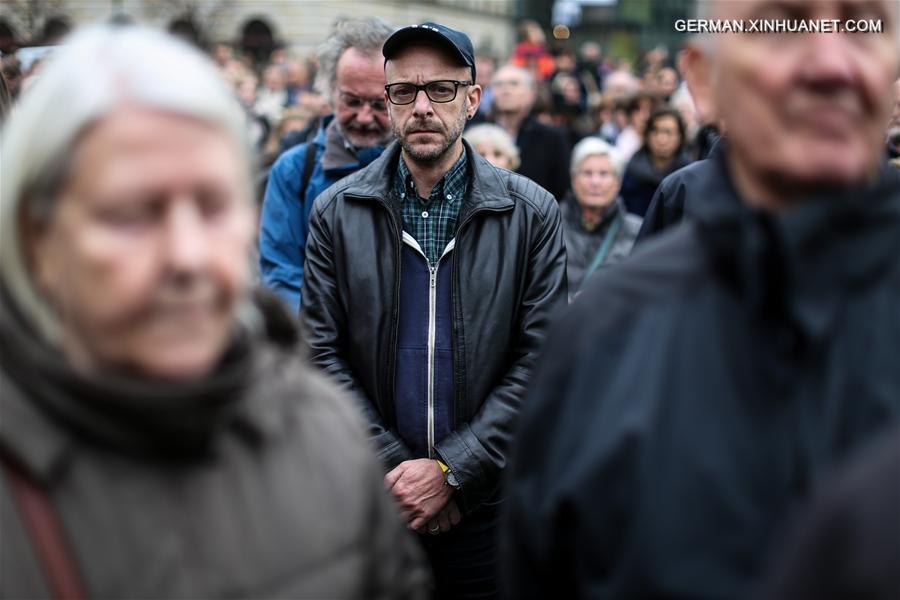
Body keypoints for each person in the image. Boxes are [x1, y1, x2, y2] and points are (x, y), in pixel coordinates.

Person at [0, 25, 428, 599]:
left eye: (213, 205)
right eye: (131, 212)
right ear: (36, 236)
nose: (187, 256)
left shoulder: (325, 432)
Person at [503, 0, 900, 597]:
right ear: (705, 83)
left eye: (862, 25)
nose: (830, 64)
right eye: (781, 26)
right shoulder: (603, 338)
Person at [300, 22, 567, 599]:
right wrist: (398, 472)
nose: (421, 107)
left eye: (441, 90)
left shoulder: (531, 214)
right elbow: (318, 353)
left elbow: (543, 360)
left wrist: (452, 472)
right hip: (373, 505)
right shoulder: (336, 212)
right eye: (404, 92)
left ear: (473, 100)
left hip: (488, 507)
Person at [258, 17, 394, 313]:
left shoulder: (422, 168)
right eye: (352, 101)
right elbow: (282, 276)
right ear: (331, 91)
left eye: (379, 104)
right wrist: (323, 348)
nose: (364, 117)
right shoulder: (294, 170)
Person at [560, 137, 640, 297]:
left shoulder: (637, 231)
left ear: (618, 182)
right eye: (587, 173)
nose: (595, 182)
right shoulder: (550, 224)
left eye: (604, 174)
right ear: (574, 179)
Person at [489, 64, 571, 201]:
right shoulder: (476, 133)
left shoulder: (551, 138)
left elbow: (562, 189)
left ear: (530, 94)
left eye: (514, 84)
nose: (505, 90)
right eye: (498, 84)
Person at [620, 107, 692, 216]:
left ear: (680, 137)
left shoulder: (689, 175)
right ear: (647, 135)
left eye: (668, 132)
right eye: (655, 130)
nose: (661, 139)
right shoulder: (632, 170)